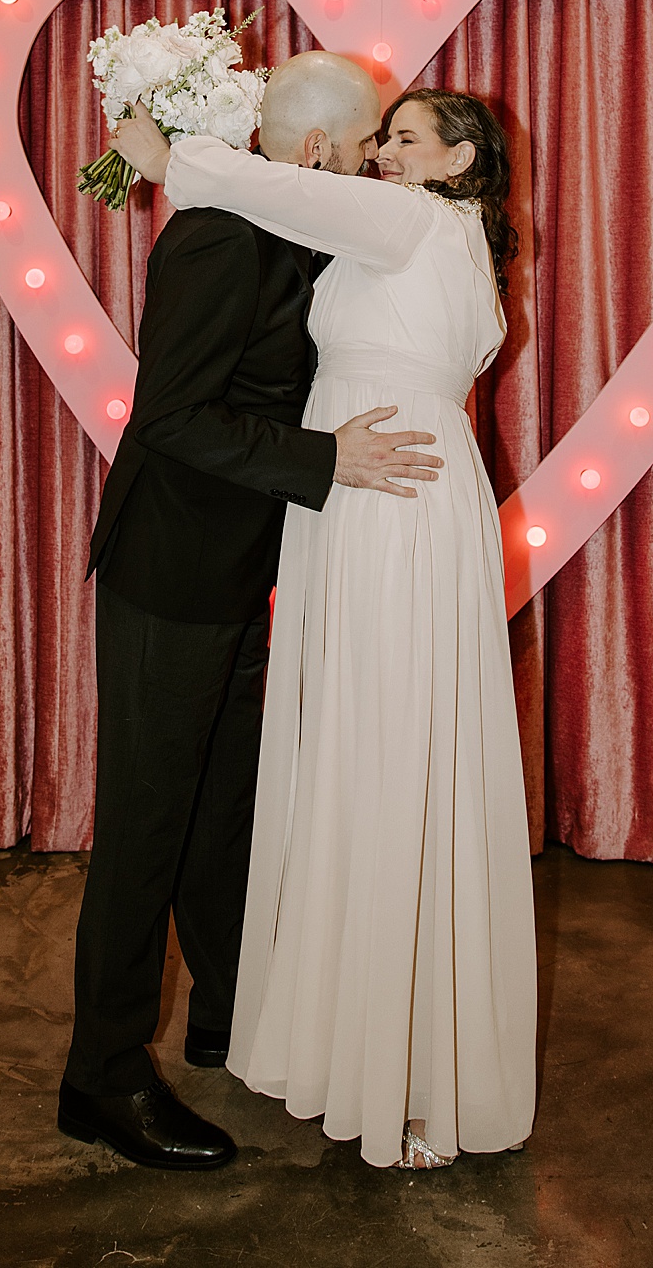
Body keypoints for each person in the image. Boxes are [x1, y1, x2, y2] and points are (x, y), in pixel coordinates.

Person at [113, 80, 538, 1171]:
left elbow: (252, 183)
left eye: (405, 139)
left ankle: (388, 1058)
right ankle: (355, 1033)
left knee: (380, 753)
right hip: (368, 501)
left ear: (458, 163)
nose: (385, 154)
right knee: (367, 751)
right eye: (377, 137)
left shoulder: (412, 220)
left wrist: (166, 148)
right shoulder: (428, 242)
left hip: (382, 503)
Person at [59, 53, 444, 1173]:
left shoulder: (289, 223)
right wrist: (328, 460)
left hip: (235, 568)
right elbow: (172, 416)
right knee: (146, 827)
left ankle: (230, 1016)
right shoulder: (222, 234)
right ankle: (103, 1073)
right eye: (372, 139)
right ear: (319, 149)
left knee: (222, 813)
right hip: (170, 568)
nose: (379, 158)